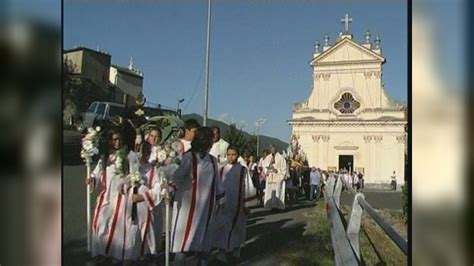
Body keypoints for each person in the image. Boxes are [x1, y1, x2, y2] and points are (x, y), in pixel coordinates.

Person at [168, 127, 225, 266]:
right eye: (210, 139)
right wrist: (169, 191)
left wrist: (221, 200)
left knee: (204, 241)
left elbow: (217, 182)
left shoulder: (212, 161)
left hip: (207, 208)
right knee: (185, 242)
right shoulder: (189, 158)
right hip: (188, 210)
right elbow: (177, 177)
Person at [87, 129, 129, 262]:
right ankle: (101, 253)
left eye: (119, 139)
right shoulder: (105, 158)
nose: (117, 142)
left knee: (118, 228)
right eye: (114, 139)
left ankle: (116, 256)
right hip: (106, 197)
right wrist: (92, 178)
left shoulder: (127, 156)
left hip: (121, 197)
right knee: (101, 224)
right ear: (110, 141)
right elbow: (97, 173)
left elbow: (132, 174)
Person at [211, 146, 256, 263]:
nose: (231, 157)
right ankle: (222, 252)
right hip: (224, 204)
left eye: (234, 154)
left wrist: (247, 205)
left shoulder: (242, 170)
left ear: (238, 155)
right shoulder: (221, 170)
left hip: (238, 204)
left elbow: (248, 187)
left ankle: (236, 250)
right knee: (222, 227)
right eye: (229, 154)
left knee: (238, 227)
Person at [262, 144, 287, 210]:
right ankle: (270, 206)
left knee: (277, 192)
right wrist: (269, 165)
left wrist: (277, 170)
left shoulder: (281, 158)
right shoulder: (268, 157)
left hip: (277, 177)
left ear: (276, 148)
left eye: (273, 148)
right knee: (270, 192)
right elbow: (264, 166)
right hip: (270, 177)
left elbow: (284, 168)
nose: (272, 149)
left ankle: (278, 206)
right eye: (270, 148)